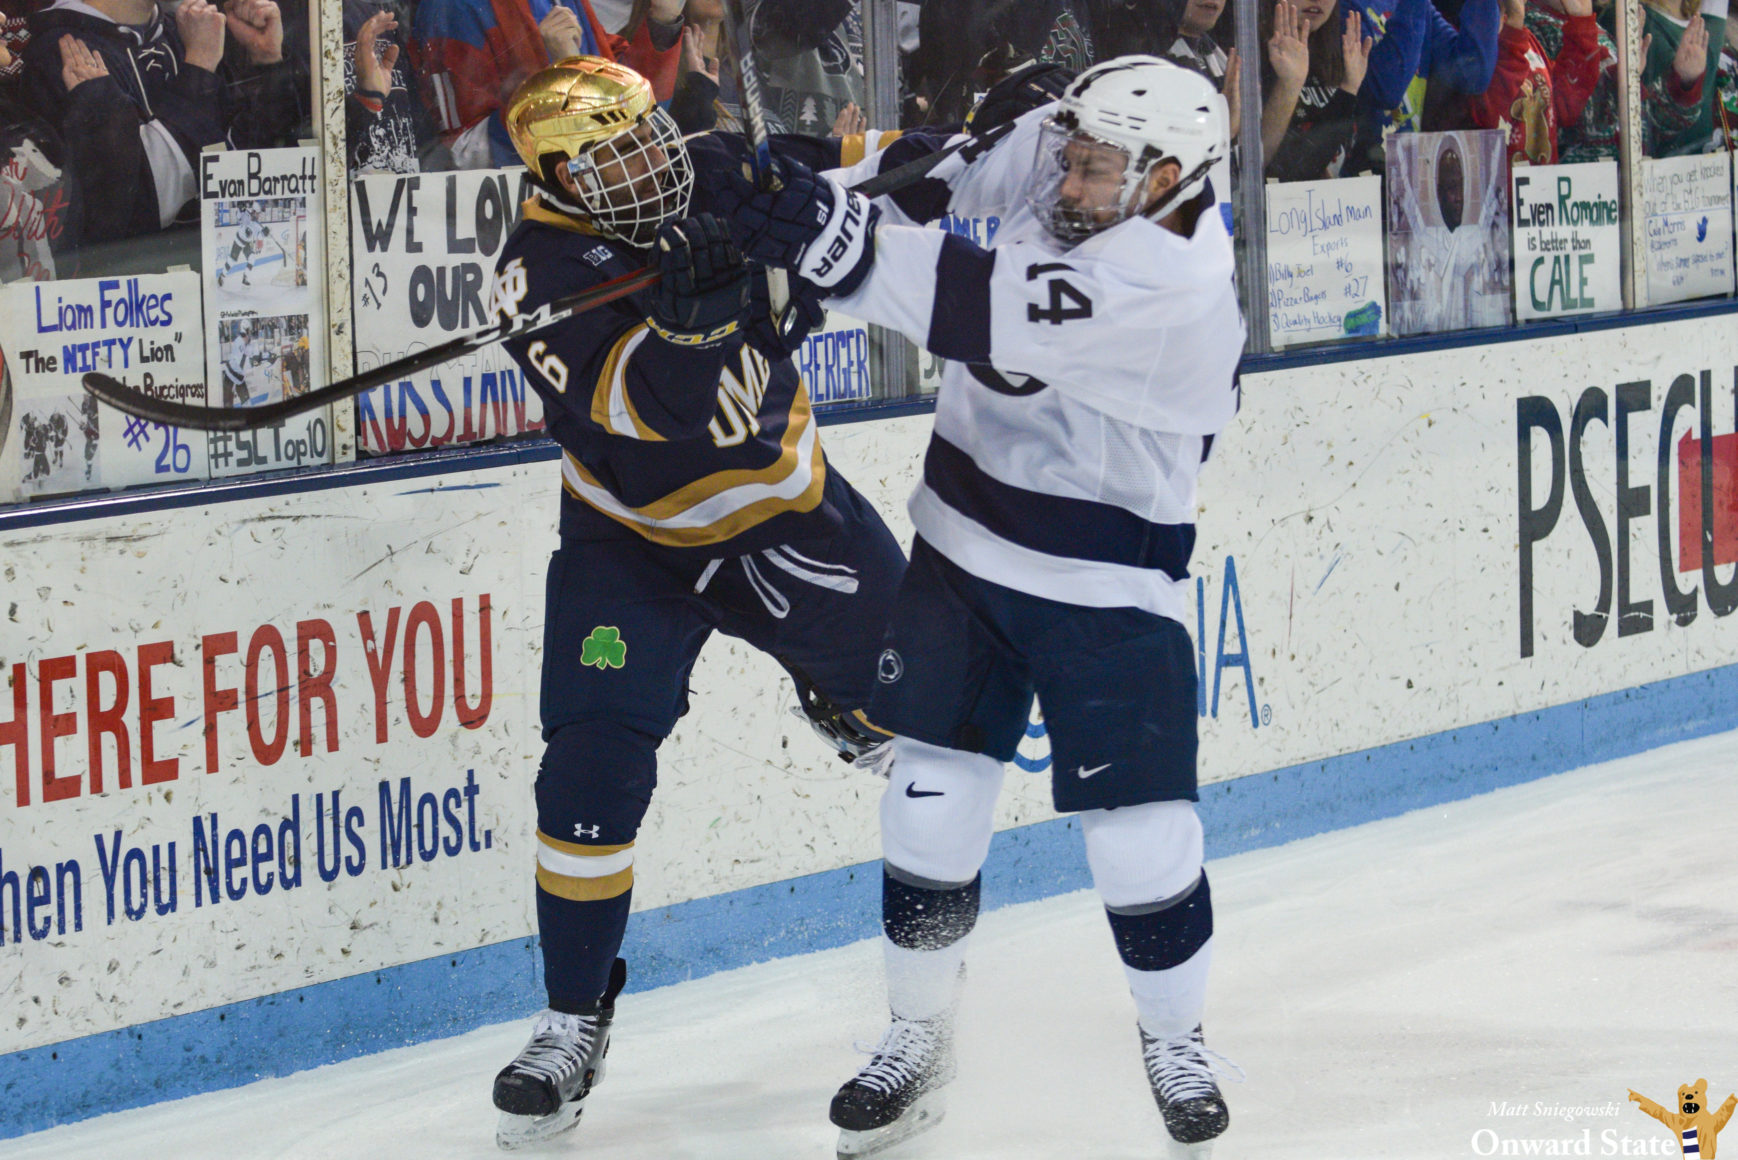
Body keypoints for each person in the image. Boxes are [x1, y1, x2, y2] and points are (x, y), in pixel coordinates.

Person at [712, 54, 1246, 1158]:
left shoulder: (1175, 289)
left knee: (1142, 836)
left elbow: (957, 296)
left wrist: (819, 237)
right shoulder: (1074, 156)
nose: (1070, 178)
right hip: (963, 549)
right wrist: (772, 182)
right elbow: (926, 181)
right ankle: (918, 1035)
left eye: (1098, 169)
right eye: (1073, 152)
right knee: (926, 802)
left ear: (1167, 179)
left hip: (1107, 580)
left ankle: (1176, 1038)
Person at [481, 55, 909, 1149]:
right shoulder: (536, 272)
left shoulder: (718, 167)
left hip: (786, 522)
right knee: (589, 763)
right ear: (561, 178)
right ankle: (571, 1019)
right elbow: (657, 408)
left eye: (650, 133)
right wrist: (698, 322)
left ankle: (842, 704)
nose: (654, 161)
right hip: (632, 547)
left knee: (925, 722)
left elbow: (875, 170)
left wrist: (991, 141)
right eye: (617, 155)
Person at [21, 0, 300, 242]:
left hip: (227, 266)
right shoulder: (58, 52)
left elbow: (250, 170)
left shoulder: (191, 30)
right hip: (148, 279)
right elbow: (133, 209)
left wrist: (267, 61)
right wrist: (199, 67)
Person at [410, 0, 683, 168]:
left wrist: (662, 23)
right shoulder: (451, 7)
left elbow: (628, 106)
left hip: (591, 196)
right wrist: (563, 81)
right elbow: (461, 153)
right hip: (529, 220)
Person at [1262, 0, 1373, 179]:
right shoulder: (1252, 58)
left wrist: (1349, 87)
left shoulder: (1340, 55)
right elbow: (1268, 166)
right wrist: (1288, 84)